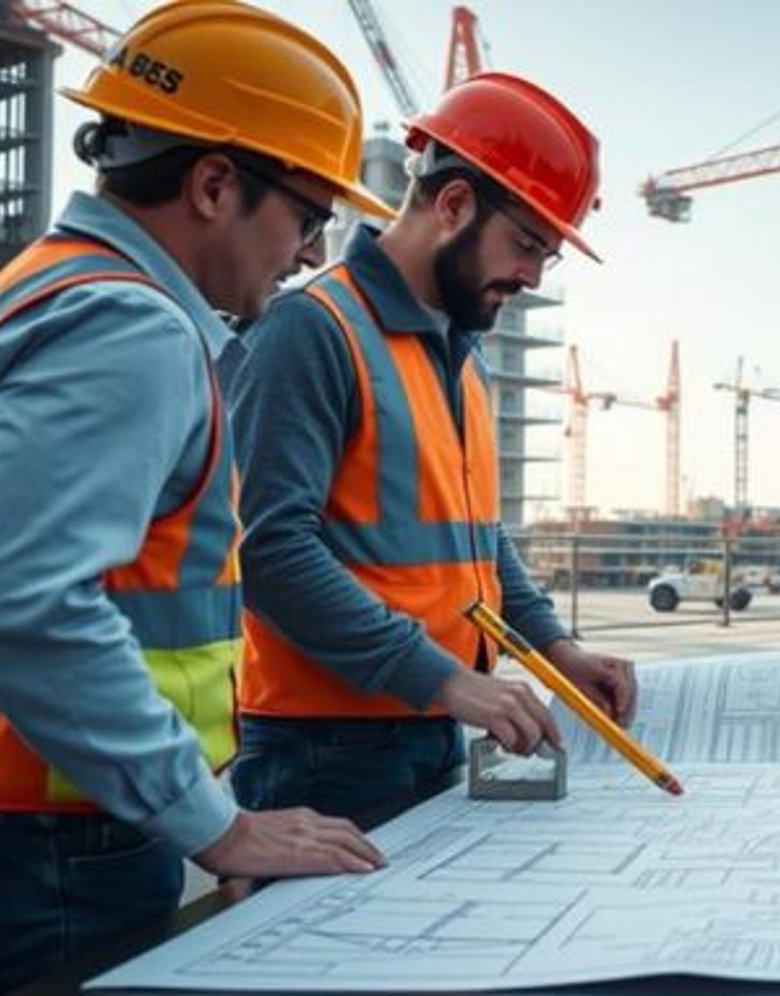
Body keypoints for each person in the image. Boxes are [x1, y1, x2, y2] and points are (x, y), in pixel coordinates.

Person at [0, 1, 393, 996]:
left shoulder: (47, 292)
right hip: (50, 844)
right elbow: (20, 608)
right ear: (215, 184)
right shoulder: (125, 325)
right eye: (307, 215)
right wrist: (213, 825)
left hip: (34, 826)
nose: (312, 252)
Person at [229, 73, 637, 821]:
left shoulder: (461, 355)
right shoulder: (312, 329)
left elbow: (476, 545)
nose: (532, 276)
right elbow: (269, 552)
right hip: (322, 751)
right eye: (525, 244)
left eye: (548, 255)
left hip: (432, 722)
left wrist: (556, 650)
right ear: (452, 205)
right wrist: (442, 678)